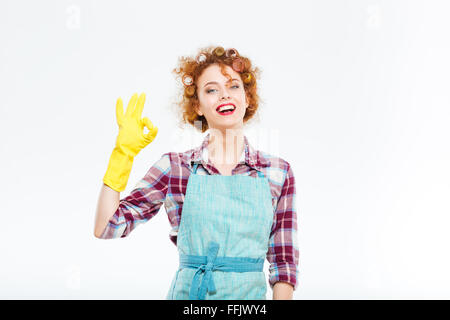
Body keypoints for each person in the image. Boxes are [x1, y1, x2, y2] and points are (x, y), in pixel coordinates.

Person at [94, 45, 299, 300]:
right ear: (198, 106)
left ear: (247, 98)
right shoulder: (175, 168)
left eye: (234, 86)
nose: (224, 95)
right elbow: (107, 226)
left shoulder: (277, 172)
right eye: (211, 90)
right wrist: (122, 156)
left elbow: (283, 263)